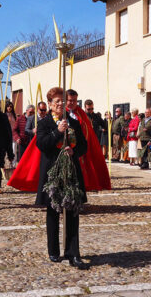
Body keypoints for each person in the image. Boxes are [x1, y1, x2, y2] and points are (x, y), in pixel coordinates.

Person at [36, 87, 89, 270]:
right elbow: (42, 145)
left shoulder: (73, 122)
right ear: (49, 104)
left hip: (71, 172)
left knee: (73, 211)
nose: (60, 104)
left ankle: (73, 252)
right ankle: (53, 250)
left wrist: (74, 150)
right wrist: (57, 132)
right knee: (53, 211)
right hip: (53, 174)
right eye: (56, 101)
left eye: (62, 101)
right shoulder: (44, 123)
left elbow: (84, 146)